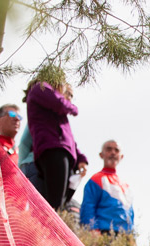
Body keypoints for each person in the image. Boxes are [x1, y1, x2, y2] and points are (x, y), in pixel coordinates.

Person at [26, 69, 86, 210]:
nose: (69, 98)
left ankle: (50, 228)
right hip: (53, 150)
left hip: (63, 152)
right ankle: (49, 230)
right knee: (55, 204)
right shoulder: (40, 88)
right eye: (67, 94)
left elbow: (70, 141)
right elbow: (60, 104)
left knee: (59, 203)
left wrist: (81, 159)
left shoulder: (57, 116)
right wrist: (74, 108)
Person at [79, 139, 134, 234]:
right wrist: (92, 230)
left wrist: (132, 237)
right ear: (101, 155)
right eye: (109, 149)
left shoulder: (126, 186)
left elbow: (131, 214)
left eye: (116, 150)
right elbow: (88, 207)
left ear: (121, 156)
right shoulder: (96, 179)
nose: (113, 152)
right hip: (103, 233)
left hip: (125, 237)